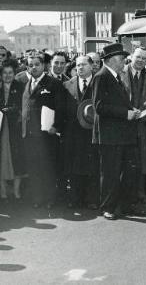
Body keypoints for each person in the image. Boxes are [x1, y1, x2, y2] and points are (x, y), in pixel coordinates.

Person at [92, 43, 143, 220]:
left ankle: (127, 205)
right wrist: (126, 113)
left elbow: (115, 103)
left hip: (123, 134)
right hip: (110, 136)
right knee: (111, 174)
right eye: (122, 59)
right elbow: (99, 107)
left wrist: (131, 110)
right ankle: (108, 207)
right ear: (113, 60)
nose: (124, 62)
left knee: (129, 171)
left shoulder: (115, 76)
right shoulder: (102, 76)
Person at [22, 52, 65, 209]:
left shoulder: (53, 83)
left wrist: (56, 126)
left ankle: (49, 198)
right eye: (30, 65)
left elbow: (61, 108)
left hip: (47, 134)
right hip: (31, 135)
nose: (34, 67)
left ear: (44, 66)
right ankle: (37, 198)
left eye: (37, 64)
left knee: (48, 167)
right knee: (34, 168)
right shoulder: (27, 84)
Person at [62, 55, 99, 209]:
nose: (80, 68)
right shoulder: (67, 85)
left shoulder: (99, 83)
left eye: (84, 65)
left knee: (92, 165)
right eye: (77, 65)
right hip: (74, 133)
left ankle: (92, 198)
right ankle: (75, 198)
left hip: (93, 131)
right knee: (75, 166)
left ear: (91, 66)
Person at [121, 48, 146, 203]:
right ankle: (123, 194)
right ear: (131, 57)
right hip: (124, 123)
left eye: (144, 58)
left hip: (142, 124)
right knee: (123, 160)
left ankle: (139, 192)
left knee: (141, 160)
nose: (141, 60)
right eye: (138, 57)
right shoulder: (121, 73)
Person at [0, 60, 26, 202]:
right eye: (5, 73)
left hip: (15, 127)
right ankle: (3, 190)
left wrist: (14, 110)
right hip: (0, 129)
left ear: (14, 73)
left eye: (10, 73)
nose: (8, 75)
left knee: (17, 159)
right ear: (0, 74)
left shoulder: (21, 87)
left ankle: (16, 191)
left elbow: (25, 107)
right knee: (1, 158)